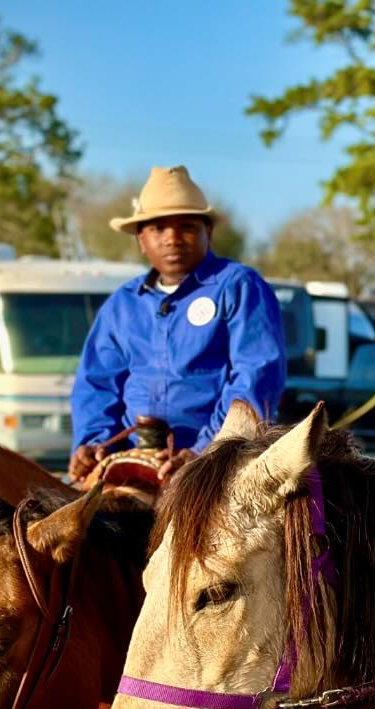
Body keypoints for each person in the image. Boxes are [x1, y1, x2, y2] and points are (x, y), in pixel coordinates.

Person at [69, 165, 287, 482]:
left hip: (221, 466)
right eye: (158, 229)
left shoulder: (238, 286)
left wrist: (205, 451)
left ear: (207, 233)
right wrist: (93, 443)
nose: (172, 238)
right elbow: (96, 384)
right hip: (131, 460)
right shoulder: (123, 304)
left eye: (186, 227)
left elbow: (256, 376)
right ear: (141, 240)